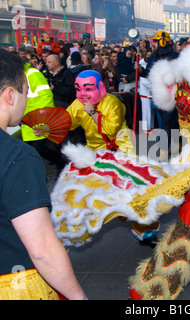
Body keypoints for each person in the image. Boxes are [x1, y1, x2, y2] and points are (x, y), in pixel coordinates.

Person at [0, 48, 87, 300]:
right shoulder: (16, 157)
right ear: (9, 96)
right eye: (25, 92)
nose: (26, 99)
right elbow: (42, 249)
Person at [135, 30, 180, 161]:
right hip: (159, 94)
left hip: (173, 95)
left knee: (169, 122)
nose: (153, 44)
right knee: (166, 122)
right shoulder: (154, 57)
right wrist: (140, 69)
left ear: (162, 41)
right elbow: (148, 73)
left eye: (155, 41)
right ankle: (173, 147)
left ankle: (165, 150)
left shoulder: (175, 55)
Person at [66, 70, 135, 154]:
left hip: (120, 145)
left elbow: (112, 130)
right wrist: (49, 127)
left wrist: (92, 113)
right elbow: (66, 121)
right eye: (78, 89)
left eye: (88, 89)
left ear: (101, 87)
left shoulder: (112, 102)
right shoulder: (77, 104)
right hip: (94, 148)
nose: (82, 94)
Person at [21, 58, 66, 174]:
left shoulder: (32, 74)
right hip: (27, 122)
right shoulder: (20, 75)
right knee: (32, 151)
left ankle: (61, 165)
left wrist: (43, 121)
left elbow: (46, 98)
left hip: (37, 121)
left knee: (37, 150)